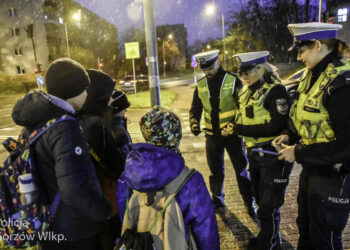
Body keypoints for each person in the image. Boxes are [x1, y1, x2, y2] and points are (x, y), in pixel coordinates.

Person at [11, 58, 111, 250]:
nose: (87, 93)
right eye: (84, 88)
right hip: (72, 232)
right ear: (73, 90)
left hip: (46, 223)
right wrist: (103, 210)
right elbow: (74, 189)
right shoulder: (66, 128)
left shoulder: (36, 121)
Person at [275, 22, 350, 249]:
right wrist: (289, 135)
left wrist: (297, 152)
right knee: (306, 230)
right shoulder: (312, 76)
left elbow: (346, 146)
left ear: (318, 45)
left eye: (301, 51)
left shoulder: (341, 84)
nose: (298, 58)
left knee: (324, 237)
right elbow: (303, 117)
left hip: (334, 176)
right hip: (313, 170)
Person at [116, 106, 220, 250]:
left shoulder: (126, 177)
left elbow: (126, 218)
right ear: (176, 136)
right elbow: (206, 230)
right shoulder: (190, 180)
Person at [223, 51, 293, 250]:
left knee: (270, 206)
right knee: (261, 201)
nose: (243, 77)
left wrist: (240, 129)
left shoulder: (275, 91)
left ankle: (269, 243)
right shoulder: (246, 91)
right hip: (254, 154)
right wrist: (233, 125)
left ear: (261, 69)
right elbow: (245, 116)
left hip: (272, 156)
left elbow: (276, 126)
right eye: (241, 73)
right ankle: (269, 238)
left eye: (248, 72)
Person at [189, 49, 255, 216]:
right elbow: (195, 108)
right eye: (204, 69)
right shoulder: (201, 84)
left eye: (209, 68)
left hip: (232, 136)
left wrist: (233, 124)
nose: (207, 72)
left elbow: (243, 107)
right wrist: (194, 122)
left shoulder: (233, 81)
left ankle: (249, 201)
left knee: (241, 170)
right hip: (212, 137)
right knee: (215, 171)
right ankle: (218, 201)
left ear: (217, 62)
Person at [79, 69, 127, 249]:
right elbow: (119, 166)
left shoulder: (78, 119)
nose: (112, 99)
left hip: (88, 207)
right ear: (99, 96)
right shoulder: (99, 125)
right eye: (109, 94)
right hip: (107, 203)